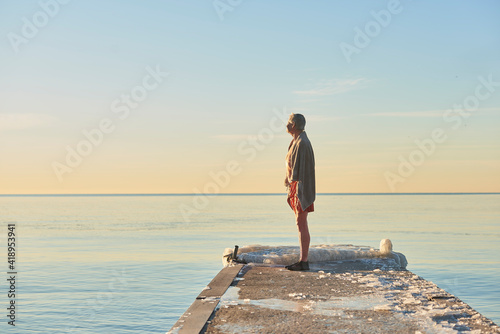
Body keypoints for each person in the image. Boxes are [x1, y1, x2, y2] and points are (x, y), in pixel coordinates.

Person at [284, 113, 315, 271]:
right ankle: (303, 260)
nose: (287, 125)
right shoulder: (296, 141)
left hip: (301, 187)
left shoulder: (302, 142)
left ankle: (304, 261)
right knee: (300, 223)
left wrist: (296, 188)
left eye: (289, 123)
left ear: (294, 125)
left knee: (301, 222)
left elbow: (301, 170)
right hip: (297, 186)